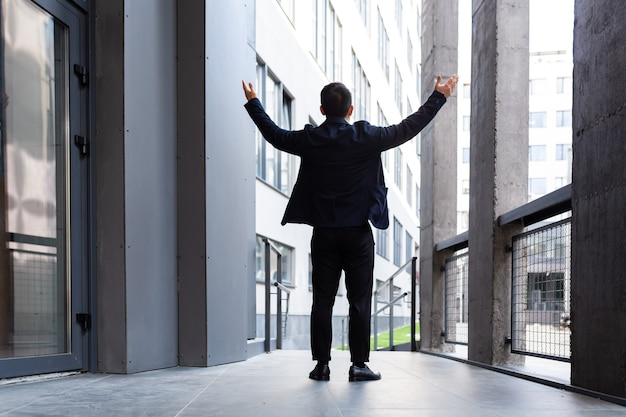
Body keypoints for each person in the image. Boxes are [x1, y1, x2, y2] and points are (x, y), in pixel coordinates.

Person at [242, 74, 458, 382]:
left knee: (322, 301)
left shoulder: (310, 139)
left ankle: (321, 366)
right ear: (350, 110)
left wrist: (254, 103)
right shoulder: (366, 137)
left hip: (324, 236)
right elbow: (408, 127)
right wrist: (439, 96)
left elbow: (274, 134)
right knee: (359, 301)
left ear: (321, 109)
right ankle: (358, 365)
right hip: (357, 235)